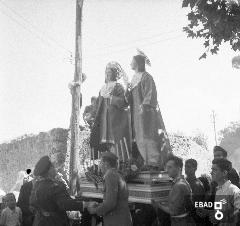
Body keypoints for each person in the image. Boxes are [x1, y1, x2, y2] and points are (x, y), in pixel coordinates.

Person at [125, 49, 171, 168]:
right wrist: (127, 92)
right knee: (139, 137)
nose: (130, 63)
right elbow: (130, 99)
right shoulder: (134, 78)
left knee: (148, 135)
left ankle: (153, 161)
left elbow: (150, 94)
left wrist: (144, 107)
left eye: (132, 61)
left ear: (138, 63)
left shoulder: (146, 77)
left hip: (146, 113)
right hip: (136, 113)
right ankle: (145, 160)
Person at [29, 155, 91, 226]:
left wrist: (42, 211)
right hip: (55, 222)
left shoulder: (37, 185)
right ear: (49, 170)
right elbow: (65, 204)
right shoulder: (56, 186)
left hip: (39, 222)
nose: (55, 168)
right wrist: (86, 204)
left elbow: (32, 203)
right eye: (52, 166)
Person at [90, 62, 131, 157]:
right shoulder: (103, 88)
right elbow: (98, 105)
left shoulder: (118, 86)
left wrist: (111, 98)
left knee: (116, 142)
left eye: (110, 72)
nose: (108, 74)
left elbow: (124, 103)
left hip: (115, 120)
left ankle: (119, 160)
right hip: (104, 120)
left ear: (115, 74)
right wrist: (92, 115)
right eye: (106, 72)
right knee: (104, 142)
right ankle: (107, 160)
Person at [88, 152, 132, 226]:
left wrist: (95, 210)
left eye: (100, 162)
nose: (99, 165)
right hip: (122, 219)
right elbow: (116, 200)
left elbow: (110, 203)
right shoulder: (118, 174)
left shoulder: (110, 174)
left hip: (116, 221)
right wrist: (99, 205)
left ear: (106, 163)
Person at [152, 155, 195, 226]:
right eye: (166, 167)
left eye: (170, 167)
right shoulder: (181, 182)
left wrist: (158, 205)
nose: (166, 170)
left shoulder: (179, 185)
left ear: (179, 168)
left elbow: (173, 211)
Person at [210, 158, 240, 225]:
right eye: (212, 169)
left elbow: (238, 215)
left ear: (224, 173)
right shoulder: (218, 190)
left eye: (214, 170)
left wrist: (220, 217)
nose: (211, 172)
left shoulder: (234, 191)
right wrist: (208, 212)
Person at [185, 159, 205, 225]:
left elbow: (198, 205)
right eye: (185, 166)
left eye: (189, 167)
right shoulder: (183, 181)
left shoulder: (197, 185)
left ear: (195, 168)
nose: (186, 169)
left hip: (192, 219)